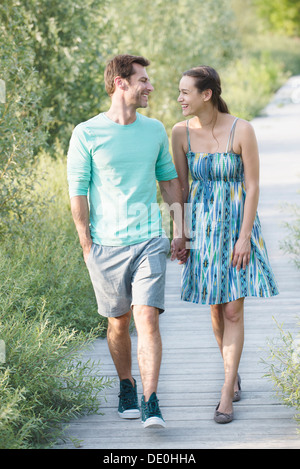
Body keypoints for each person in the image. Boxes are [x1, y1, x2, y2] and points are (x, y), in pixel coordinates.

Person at [67, 54, 186, 429]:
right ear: (121, 83)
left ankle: (151, 399)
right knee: (118, 323)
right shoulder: (86, 133)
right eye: (143, 80)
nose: (150, 86)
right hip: (105, 244)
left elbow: (168, 183)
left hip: (149, 237)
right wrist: (86, 243)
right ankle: (126, 385)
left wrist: (180, 230)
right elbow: (78, 192)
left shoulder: (154, 130)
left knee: (146, 317)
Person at [172, 65, 279, 424]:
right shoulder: (179, 133)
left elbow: (253, 186)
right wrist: (180, 232)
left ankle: (226, 390)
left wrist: (245, 236)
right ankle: (230, 373)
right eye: (179, 91)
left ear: (207, 95)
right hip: (202, 230)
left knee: (233, 310)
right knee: (216, 309)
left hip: (236, 226)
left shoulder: (241, 129)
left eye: (185, 92)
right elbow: (180, 190)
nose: (179, 98)